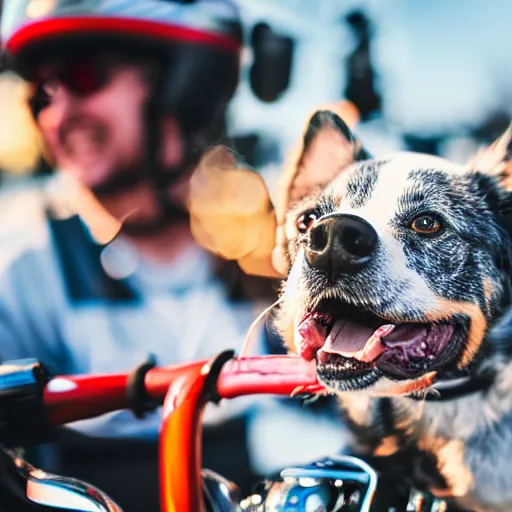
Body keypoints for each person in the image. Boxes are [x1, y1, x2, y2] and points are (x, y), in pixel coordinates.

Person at [0, 0, 285, 509]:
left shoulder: (283, 256)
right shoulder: (24, 270)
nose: (58, 115)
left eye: (84, 77)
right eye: (41, 95)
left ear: (186, 88)